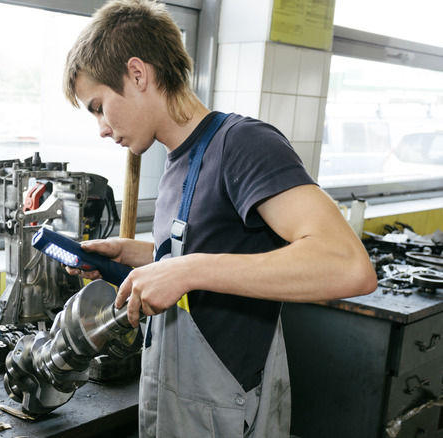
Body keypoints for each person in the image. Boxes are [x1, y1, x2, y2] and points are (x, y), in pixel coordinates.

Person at [61, 1, 377, 437]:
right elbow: (222, 248)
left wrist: (185, 270)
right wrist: (139, 256)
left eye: (98, 106)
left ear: (138, 74)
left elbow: (348, 265)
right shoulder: (178, 160)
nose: (100, 127)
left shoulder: (244, 144)